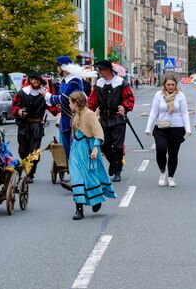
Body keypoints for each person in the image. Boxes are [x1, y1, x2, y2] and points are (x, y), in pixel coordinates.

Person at [68, 91, 117, 220]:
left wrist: (95, 148)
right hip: (76, 150)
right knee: (76, 178)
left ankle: (96, 199)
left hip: (87, 149)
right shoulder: (76, 115)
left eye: (70, 103)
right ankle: (79, 209)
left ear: (76, 103)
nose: (69, 105)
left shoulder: (89, 114)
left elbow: (98, 132)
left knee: (90, 177)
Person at [88, 59, 135, 182]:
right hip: (104, 119)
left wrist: (125, 107)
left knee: (118, 146)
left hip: (118, 118)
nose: (99, 71)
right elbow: (92, 101)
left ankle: (117, 171)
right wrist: (85, 113)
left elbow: (129, 98)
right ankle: (114, 164)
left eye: (101, 69)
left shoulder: (121, 82)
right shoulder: (99, 83)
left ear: (108, 70)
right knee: (104, 144)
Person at [145, 73, 191, 187]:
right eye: (168, 84)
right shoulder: (158, 95)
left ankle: (171, 177)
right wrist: (148, 128)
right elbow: (154, 112)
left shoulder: (180, 95)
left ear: (176, 85)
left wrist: (188, 129)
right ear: (164, 85)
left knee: (173, 154)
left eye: (173, 84)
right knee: (161, 149)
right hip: (161, 128)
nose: (170, 87)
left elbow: (185, 113)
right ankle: (162, 173)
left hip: (177, 128)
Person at [46, 56, 86, 159]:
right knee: (67, 152)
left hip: (75, 121)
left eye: (58, 66)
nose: (57, 69)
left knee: (74, 153)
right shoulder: (65, 81)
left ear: (62, 67)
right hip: (65, 121)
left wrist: (48, 96)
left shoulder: (74, 81)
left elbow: (64, 98)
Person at [12, 73, 49, 181]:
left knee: (33, 152)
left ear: (40, 82)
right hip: (23, 125)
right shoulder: (22, 92)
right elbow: (14, 106)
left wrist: (59, 115)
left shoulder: (44, 94)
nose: (35, 82)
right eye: (34, 79)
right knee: (23, 151)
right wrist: (19, 111)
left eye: (38, 80)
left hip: (37, 126)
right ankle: (27, 168)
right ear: (30, 80)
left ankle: (30, 174)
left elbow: (52, 106)